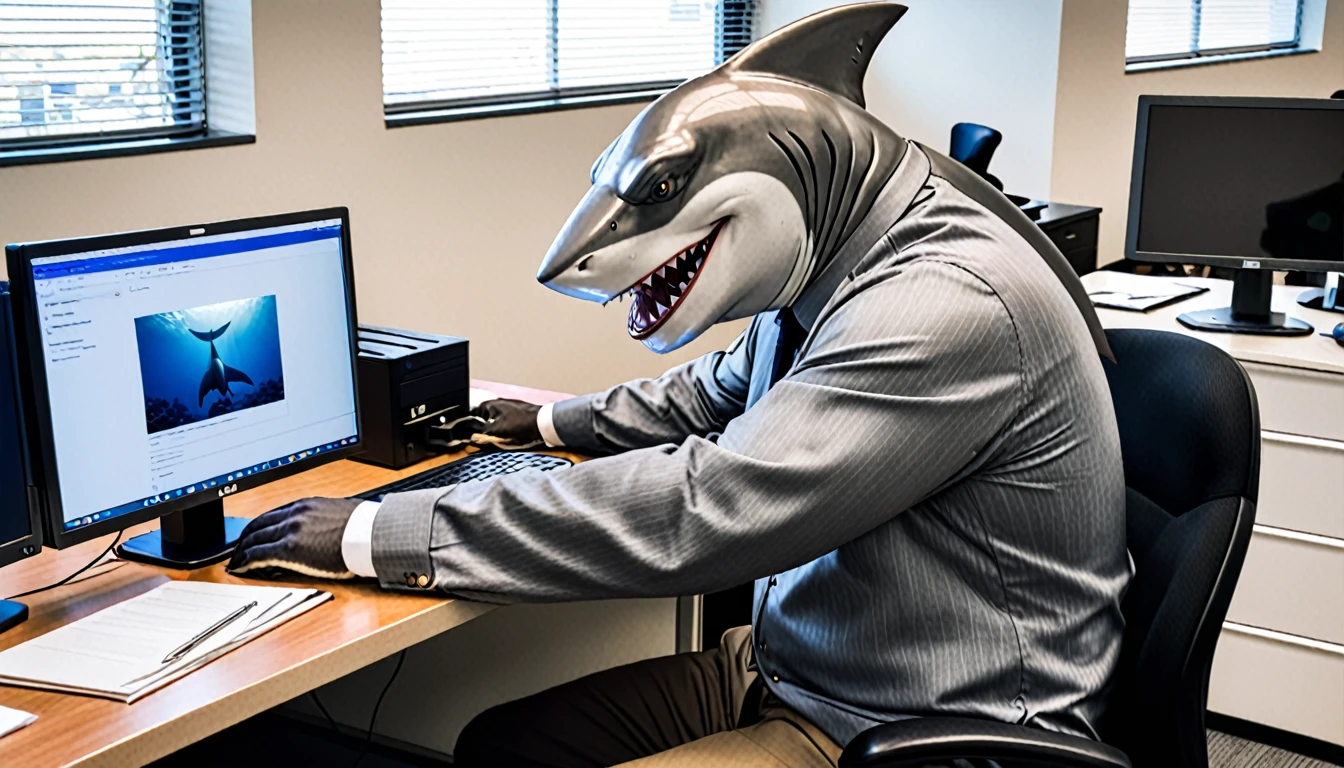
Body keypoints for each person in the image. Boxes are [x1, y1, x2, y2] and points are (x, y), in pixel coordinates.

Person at [227, 4, 1129, 766]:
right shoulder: (843, 256)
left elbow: (711, 507)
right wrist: (550, 423)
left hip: (922, 725)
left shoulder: (943, 307)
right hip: (801, 665)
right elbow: (717, 390)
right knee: (505, 747)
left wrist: (383, 530)